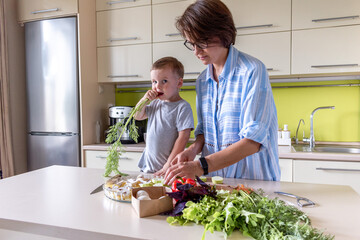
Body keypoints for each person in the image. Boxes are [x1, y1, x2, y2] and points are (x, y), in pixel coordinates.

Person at [160, 0, 280, 184]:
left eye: (201, 42)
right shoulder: (202, 81)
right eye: (191, 44)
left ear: (223, 33)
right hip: (216, 183)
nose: (196, 51)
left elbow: (253, 141)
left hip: (253, 183)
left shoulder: (252, 71)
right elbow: (204, 131)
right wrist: (193, 149)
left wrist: (200, 166)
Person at [134, 57, 194, 173]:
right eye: (154, 82)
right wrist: (144, 100)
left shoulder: (182, 107)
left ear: (179, 83)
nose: (157, 86)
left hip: (167, 170)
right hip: (147, 168)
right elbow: (137, 115)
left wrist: (168, 165)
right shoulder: (156, 103)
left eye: (164, 81)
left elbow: (183, 138)